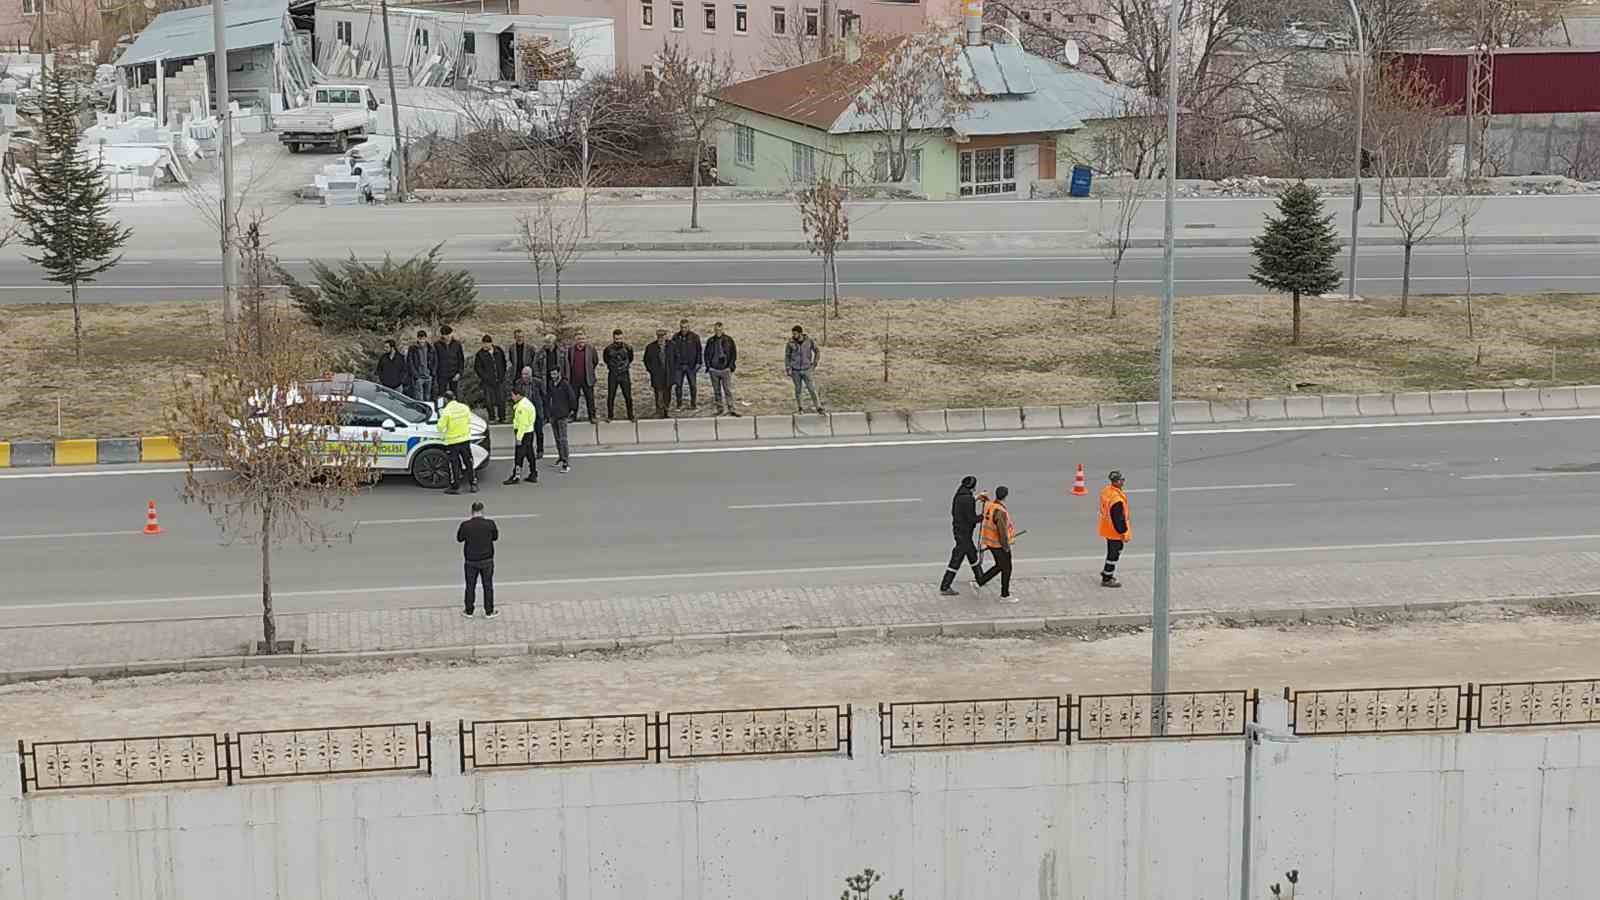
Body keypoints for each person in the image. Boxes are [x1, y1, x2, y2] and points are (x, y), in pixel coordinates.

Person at [938, 475, 985, 596]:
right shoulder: (968, 499)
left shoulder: (959, 495)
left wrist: (977, 498)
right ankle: (945, 586)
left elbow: (965, 505)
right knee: (956, 560)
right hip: (964, 533)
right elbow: (971, 518)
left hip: (959, 531)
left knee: (972, 554)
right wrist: (983, 517)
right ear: (972, 486)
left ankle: (981, 578)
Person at [974, 485, 1017, 602]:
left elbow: (986, 504)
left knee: (999, 565)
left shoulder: (990, 506)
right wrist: (1006, 547)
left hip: (989, 542)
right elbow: (1002, 531)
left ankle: (981, 581)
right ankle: (1005, 595)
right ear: (1005, 496)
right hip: (998, 545)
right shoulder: (1000, 511)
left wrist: (983, 498)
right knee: (1007, 568)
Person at [457, 501, 499, 618]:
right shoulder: (490, 524)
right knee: (488, 585)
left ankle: (469, 610)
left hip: (471, 560)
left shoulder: (465, 525)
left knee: (470, 585)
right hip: (487, 560)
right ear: (482, 511)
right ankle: (489, 611)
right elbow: (495, 537)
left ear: (472, 511)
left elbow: (459, 538)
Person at [438, 390, 477, 494]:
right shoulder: (464, 407)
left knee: (454, 465)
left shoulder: (446, 411)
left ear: (445, 400)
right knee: (469, 462)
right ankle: (473, 484)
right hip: (465, 439)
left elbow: (440, 428)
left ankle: (455, 487)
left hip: (453, 441)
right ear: (454, 397)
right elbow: (469, 420)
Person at [1099, 470, 1132, 588]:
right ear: (1117, 481)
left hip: (1107, 528)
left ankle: (1106, 573)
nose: (1123, 481)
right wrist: (1123, 533)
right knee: (1114, 555)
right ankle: (1107, 578)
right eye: (1122, 480)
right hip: (1114, 531)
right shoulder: (1116, 500)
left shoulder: (1107, 491)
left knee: (1111, 552)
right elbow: (1118, 519)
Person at [504, 387, 540, 485]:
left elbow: (522, 424)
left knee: (519, 456)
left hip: (523, 433)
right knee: (530, 454)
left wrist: (519, 438)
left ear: (518, 395)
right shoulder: (526, 403)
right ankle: (533, 473)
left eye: (513, 395)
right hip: (529, 432)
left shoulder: (522, 407)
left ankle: (516, 476)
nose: (512, 398)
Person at [785, 324, 823, 414]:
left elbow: (817, 351)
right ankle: (800, 407)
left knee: (812, 389)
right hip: (795, 370)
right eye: (793, 334)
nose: (794, 336)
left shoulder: (809, 341)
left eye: (795, 334)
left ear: (800, 333)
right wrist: (788, 367)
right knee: (798, 390)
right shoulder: (790, 343)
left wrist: (815, 363)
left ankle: (818, 407)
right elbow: (787, 356)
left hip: (807, 369)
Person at [704, 321, 739, 417]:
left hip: (725, 369)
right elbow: (706, 354)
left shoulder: (729, 340)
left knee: (727, 390)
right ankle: (720, 409)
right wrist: (708, 367)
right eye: (716, 330)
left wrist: (730, 366)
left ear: (723, 329)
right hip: (714, 369)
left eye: (719, 330)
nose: (718, 331)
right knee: (717, 391)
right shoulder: (710, 341)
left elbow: (733, 353)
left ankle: (731, 408)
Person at [546, 368, 577, 473]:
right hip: (553, 415)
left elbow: (572, 397)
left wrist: (571, 410)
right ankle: (561, 456)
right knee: (557, 438)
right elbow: (548, 398)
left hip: (562, 415)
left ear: (559, 373)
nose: (553, 376)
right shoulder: (550, 384)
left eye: (555, 374)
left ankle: (566, 462)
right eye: (551, 374)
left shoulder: (565, 384)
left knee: (563, 439)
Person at [667, 318, 702, 410]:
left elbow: (699, 350)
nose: (684, 329)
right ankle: (679, 405)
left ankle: (693, 404)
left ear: (688, 327)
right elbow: (671, 352)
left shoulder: (695, 337)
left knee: (693, 386)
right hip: (679, 366)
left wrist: (699, 362)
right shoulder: (675, 337)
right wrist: (673, 365)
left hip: (691, 366)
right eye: (682, 327)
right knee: (678, 386)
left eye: (686, 327)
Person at [474, 334, 509, 424]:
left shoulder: (498, 351)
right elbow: (478, 368)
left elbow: (503, 363)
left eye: (487, 344)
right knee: (489, 400)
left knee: (501, 399)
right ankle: (492, 418)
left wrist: (502, 374)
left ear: (491, 343)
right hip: (487, 382)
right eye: (484, 344)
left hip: (500, 379)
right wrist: (485, 377)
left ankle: (502, 417)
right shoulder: (480, 354)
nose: (485, 346)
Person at [603, 328, 636, 421]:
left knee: (628, 396)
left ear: (623, 337)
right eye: (616, 339)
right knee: (611, 396)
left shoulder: (628, 348)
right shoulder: (608, 349)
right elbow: (606, 360)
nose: (618, 341)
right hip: (613, 375)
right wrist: (612, 367)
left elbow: (630, 359)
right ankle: (610, 416)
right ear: (613, 338)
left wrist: (624, 367)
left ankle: (630, 415)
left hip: (624, 374)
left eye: (620, 339)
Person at [567, 330, 600, 422]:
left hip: (587, 379)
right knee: (574, 399)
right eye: (578, 339)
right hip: (574, 380)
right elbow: (569, 362)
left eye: (582, 339)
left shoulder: (591, 349)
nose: (581, 340)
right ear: (575, 340)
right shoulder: (571, 350)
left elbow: (595, 361)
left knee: (590, 399)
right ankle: (573, 416)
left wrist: (589, 371)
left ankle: (592, 416)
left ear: (585, 339)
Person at [513, 365, 546, 458]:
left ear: (531, 375)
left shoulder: (538, 383)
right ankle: (527, 451)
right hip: (524, 413)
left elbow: (544, 396)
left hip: (536, 411)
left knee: (539, 432)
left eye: (526, 374)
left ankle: (540, 450)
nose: (524, 376)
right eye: (523, 374)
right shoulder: (518, 383)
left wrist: (545, 412)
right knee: (526, 433)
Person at [643, 327, 672, 419]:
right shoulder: (651, 347)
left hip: (668, 374)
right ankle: (659, 411)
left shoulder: (672, 346)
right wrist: (651, 370)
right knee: (659, 393)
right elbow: (646, 360)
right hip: (657, 375)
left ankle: (666, 410)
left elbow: (676, 358)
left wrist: (673, 370)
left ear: (665, 336)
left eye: (663, 337)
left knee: (667, 393)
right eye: (659, 337)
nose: (661, 338)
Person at [434, 325, 465, 400]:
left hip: (454, 374)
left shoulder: (457, 344)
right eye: (445, 335)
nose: (447, 337)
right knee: (441, 395)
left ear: (451, 334)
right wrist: (435, 373)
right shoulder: (437, 345)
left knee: (454, 395)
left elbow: (461, 359)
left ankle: (453, 410)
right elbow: (435, 360)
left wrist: (459, 373)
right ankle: (441, 411)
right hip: (442, 374)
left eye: (448, 334)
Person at [406, 330, 435, 401]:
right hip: (419, 377)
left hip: (428, 376)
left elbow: (435, 361)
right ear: (417, 338)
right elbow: (410, 362)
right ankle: (419, 412)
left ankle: (427, 411)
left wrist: (432, 372)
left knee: (427, 397)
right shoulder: (413, 349)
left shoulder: (430, 348)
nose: (422, 341)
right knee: (419, 398)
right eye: (420, 339)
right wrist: (415, 375)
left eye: (423, 339)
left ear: (426, 338)